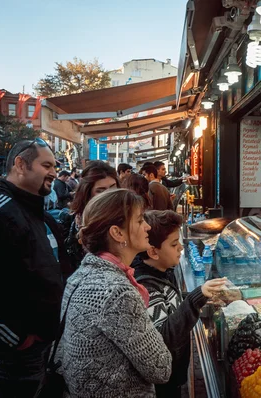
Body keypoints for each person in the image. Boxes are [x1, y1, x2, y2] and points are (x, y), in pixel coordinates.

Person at [55, 189, 172, 396]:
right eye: (139, 221)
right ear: (117, 233)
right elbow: (161, 368)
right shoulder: (118, 293)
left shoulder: (81, 275)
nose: (147, 226)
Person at [0, 138, 69, 397]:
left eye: (55, 166)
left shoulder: (36, 212)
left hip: (40, 348)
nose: (54, 172)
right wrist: (16, 338)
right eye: (46, 165)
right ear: (20, 165)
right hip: (8, 357)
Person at [133, 210, 227, 398]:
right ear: (153, 252)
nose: (181, 249)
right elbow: (164, 337)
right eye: (174, 244)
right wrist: (196, 298)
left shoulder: (163, 272)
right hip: (163, 383)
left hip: (174, 375)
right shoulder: (146, 287)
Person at [66, 161, 119, 270]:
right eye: (100, 191)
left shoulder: (126, 214)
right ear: (87, 193)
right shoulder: (78, 220)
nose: (109, 194)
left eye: (113, 188)